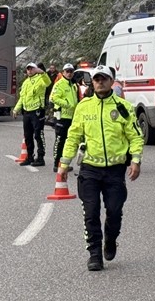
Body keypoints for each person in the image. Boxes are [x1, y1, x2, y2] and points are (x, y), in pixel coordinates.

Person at [59, 65, 143, 271]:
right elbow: (73, 136)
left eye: (104, 78)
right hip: (89, 169)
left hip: (114, 170)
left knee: (114, 211)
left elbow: (135, 135)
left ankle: (111, 239)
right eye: (96, 79)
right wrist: (64, 164)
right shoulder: (83, 106)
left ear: (111, 82)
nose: (99, 82)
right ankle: (95, 253)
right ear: (92, 82)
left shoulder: (123, 107)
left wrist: (136, 160)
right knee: (91, 212)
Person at [11, 62, 51, 166]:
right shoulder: (25, 83)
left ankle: (41, 157)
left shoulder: (41, 78)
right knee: (27, 136)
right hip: (27, 112)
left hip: (37, 111)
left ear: (35, 69)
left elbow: (48, 82)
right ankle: (29, 157)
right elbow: (22, 98)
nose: (29, 70)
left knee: (38, 135)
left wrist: (42, 72)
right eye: (28, 69)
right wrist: (16, 109)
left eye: (31, 68)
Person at [48, 63, 80, 173]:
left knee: (68, 141)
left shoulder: (73, 85)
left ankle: (64, 163)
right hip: (61, 117)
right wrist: (67, 104)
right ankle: (56, 164)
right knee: (59, 140)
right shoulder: (59, 84)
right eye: (67, 71)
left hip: (71, 117)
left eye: (71, 71)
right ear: (63, 72)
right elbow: (53, 98)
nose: (69, 73)